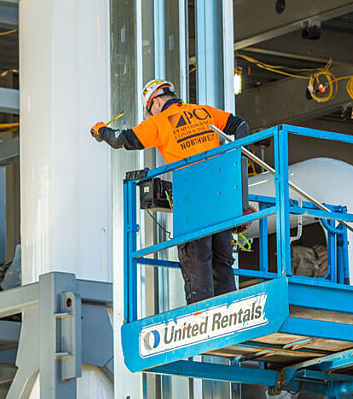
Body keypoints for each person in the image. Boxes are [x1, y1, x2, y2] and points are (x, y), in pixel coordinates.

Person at [90, 79, 250, 305]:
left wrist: (101, 130)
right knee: (222, 262)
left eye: (148, 111)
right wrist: (240, 187)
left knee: (197, 259)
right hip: (221, 196)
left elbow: (123, 139)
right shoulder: (202, 112)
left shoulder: (159, 122)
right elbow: (240, 125)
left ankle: (200, 321)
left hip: (192, 198)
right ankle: (230, 316)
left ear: (154, 102)